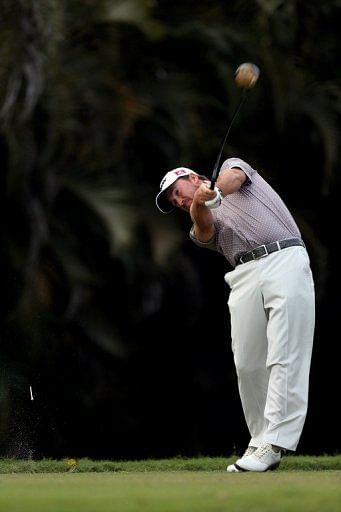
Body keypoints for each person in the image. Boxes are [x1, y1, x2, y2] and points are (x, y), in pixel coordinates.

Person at [155, 157, 315, 472]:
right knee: (247, 363)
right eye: (173, 201)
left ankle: (275, 442)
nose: (178, 199)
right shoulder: (196, 221)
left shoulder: (232, 167)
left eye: (178, 190)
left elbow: (233, 179)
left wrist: (213, 192)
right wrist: (200, 203)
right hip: (243, 274)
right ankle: (259, 440)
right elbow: (204, 228)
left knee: (284, 353)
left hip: (283, 256)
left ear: (191, 176)